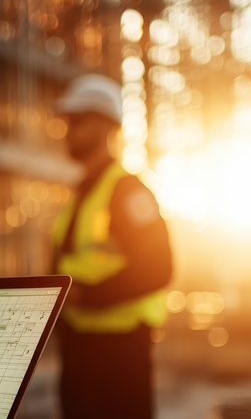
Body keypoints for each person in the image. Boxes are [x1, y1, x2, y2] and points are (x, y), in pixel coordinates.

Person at [52, 74, 172, 419]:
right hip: (79, 348)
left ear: (107, 127)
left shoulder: (128, 191)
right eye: (66, 122)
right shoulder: (78, 196)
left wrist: (85, 295)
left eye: (77, 121)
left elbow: (158, 267)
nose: (67, 130)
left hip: (120, 351)